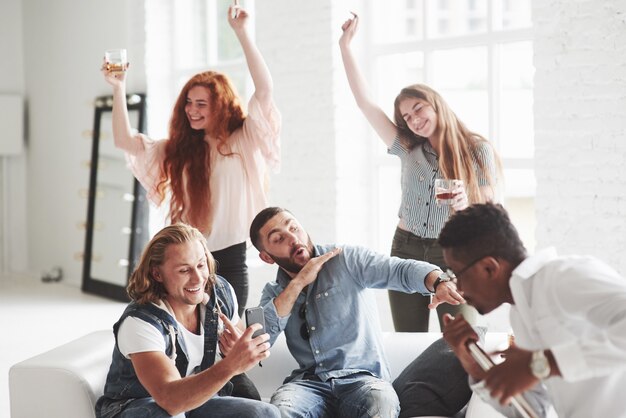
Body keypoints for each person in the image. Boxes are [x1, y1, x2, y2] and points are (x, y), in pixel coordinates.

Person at [102, 4, 281, 317]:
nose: (192, 110)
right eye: (188, 102)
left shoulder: (244, 139)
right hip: (184, 256)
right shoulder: (180, 148)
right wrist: (118, 89)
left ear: (221, 106)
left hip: (230, 256)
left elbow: (265, 89)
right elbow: (124, 140)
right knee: (185, 329)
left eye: (202, 104)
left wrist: (242, 33)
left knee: (227, 328)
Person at [339, 13, 501, 332]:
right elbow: (364, 103)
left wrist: (463, 203)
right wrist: (345, 46)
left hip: (454, 251)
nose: (413, 119)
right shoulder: (408, 148)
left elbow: (489, 215)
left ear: (435, 105)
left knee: (458, 342)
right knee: (408, 340)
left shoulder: (477, 151)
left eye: (418, 109)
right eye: (406, 116)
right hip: (406, 248)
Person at [249, 207, 465, 418]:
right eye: (278, 239)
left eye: (294, 228)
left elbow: (398, 270)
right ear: (267, 258)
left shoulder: (346, 259)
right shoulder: (274, 294)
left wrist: (438, 281)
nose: (293, 239)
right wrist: (298, 283)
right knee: (279, 410)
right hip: (308, 386)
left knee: (381, 403)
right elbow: (257, 341)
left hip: (364, 381)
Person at [439, 203, 626, 418]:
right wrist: (475, 367)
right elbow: (536, 410)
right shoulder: (520, 313)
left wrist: (541, 364)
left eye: (457, 274)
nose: (458, 288)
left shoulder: (564, 276)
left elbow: (540, 366)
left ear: (489, 268)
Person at [95, 223, 280, 418]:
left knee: (264, 413)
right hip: (141, 407)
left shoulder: (221, 292)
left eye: (201, 265)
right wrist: (231, 365)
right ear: (157, 274)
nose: (198, 279)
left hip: (196, 400)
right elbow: (170, 400)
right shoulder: (140, 322)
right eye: (184, 270)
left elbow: (235, 350)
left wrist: (236, 353)